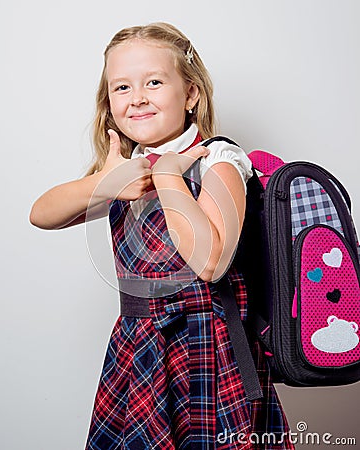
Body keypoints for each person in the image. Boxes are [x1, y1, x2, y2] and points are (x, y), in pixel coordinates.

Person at [30, 22, 295, 450]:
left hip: (208, 348)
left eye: (154, 82)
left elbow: (209, 262)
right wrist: (108, 181)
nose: (137, 98)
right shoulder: (126, 168)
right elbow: (42, 215)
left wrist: (169, 174)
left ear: (190, 94)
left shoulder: (220, 161)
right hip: (140, 349)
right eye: (121, 87)